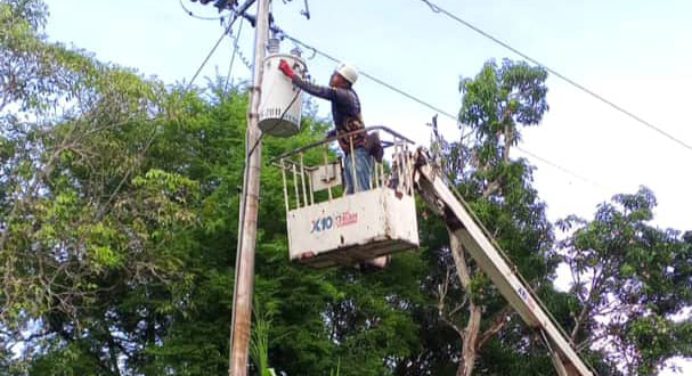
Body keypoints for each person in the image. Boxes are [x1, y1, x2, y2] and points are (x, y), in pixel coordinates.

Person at [278, 60, 372, 194]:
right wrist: (333, 133)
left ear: (344, 81)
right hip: (351, 151)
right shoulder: (344, 97)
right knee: (351, 192)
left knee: (362, 192)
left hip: (359, 151)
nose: (332, 77)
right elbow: (348, 124)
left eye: (336, 75)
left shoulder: (344, 95)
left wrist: (292, 75)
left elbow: (318, 91)